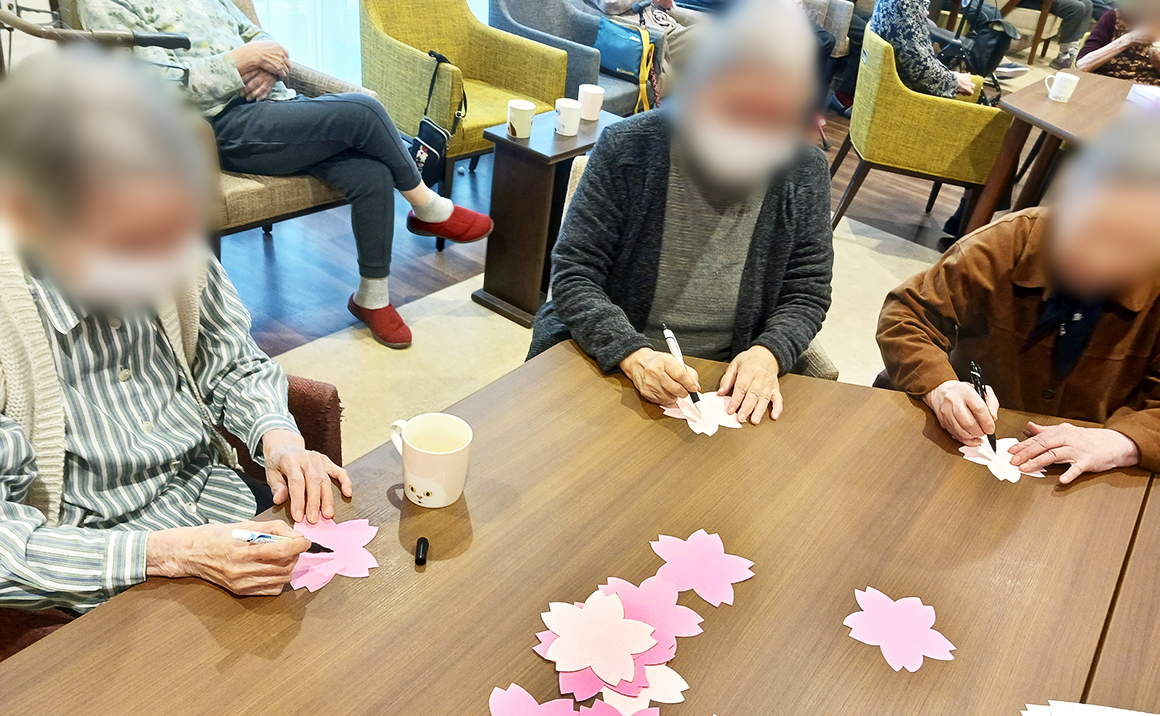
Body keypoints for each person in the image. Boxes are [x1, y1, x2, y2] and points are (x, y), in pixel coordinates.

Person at [0, 51, 350, 611]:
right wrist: (176, 553)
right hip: (102, 569)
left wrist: (278, 438)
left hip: (220, 501)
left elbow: (232, 362)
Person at [78, 0, 495, 350]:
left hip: (277, 108)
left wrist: (265, 65)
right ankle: (428, 206)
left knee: (369, 171)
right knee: (364, 111)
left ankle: (372, 296)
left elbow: (260, 38)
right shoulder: (107, 4)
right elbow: (159, 84)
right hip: (220, 127)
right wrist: (239, 61)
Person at [528, 0, 834, 426]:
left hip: (729, 379)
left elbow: (807, 291)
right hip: (614, 358)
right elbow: (574, 273)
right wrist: (634, 355)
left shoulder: (803, 171)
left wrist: (768, 353)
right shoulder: (627, 149)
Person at [876, 116, 1160, 485]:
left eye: (1132, 245)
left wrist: (1122, 442)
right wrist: (941, 387)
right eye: (1092, 229)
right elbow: (906, 314)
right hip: (963, 447)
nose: (1099, 259)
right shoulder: (1006, 243)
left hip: (1087, 475)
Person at [868, 0, 977, 98]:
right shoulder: (908, 3)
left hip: (904, 81)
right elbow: (920, 70)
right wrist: (955, 82)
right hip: (906, 94)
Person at [1076, 0, 1160, 84]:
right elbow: (1082, 66)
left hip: (1151, 88)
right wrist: (1128, 39)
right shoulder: (1115, 17)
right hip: (1109, 84)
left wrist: (1158, 65)